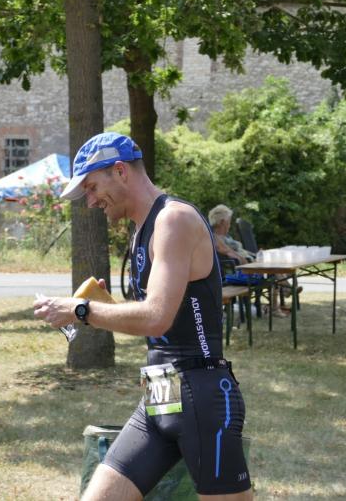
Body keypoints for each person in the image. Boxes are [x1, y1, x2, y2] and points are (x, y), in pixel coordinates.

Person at [33, 132, 252, 500]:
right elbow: (163, 322)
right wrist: (105, 306)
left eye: (92, 187)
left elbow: (157, 318)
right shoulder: (141, 231)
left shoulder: (173, 220)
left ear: (120, 171)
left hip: (201, 398)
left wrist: (81, 310)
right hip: (160, 398)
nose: (90, 201)